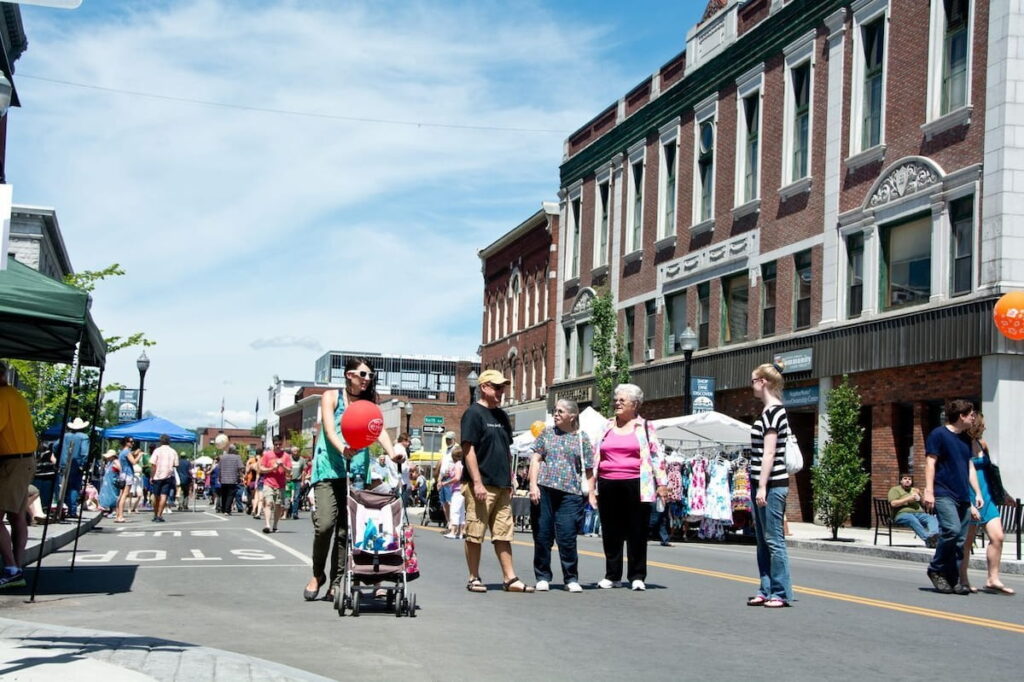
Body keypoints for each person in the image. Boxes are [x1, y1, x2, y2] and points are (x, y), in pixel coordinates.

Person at [304, 357, 398, 602]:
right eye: (363, 374)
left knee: (346, 532)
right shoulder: (331, 397)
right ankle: (317, 574)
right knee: (325, 525)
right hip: (329, 468)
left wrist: (393, 453)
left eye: (370, 375)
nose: (367, 379)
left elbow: (378, 430)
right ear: (349, 375)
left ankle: (336, 583)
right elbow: (329, 429)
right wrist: (342, 448)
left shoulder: (368, 403)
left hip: (356, 471)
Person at [589, 384, 669, 592]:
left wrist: (662, 484)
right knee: (611, 531)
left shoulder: (645, 427)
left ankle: (637, 575)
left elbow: (656, 456)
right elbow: (594, 456)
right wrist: (591, 487)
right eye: (616, 399)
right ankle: (612, 575)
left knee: (637, 531)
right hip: (607, 483)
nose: (617, 403)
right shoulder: (606, 426)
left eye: (622, 400)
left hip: (637, 484)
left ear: (635, 404)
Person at [461, 369, 533, 593]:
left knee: (503, 533)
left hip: (502, 485)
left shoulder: (502, 416)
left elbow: (506, 451)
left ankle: (510, 579)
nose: (502, 391)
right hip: (481, 484)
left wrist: (510, 481)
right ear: (484, 387)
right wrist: (477, 482)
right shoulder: (473, 413)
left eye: (503, 387)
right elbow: (468, 449)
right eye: (497, 387)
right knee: (475, 533)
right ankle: (474, 577)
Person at [528, 399, 593, 593]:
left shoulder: (582, 438)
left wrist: (592, 493)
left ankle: (571, 577)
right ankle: (542, 576)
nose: (556, 414)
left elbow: (589, 469)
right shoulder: (546, 433)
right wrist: (533, 485)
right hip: (545, 489)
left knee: (567, 536)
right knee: (543, 534)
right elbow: (535, 459)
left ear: (572, 415)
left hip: (570, 494)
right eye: (555, 411)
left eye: (560, 411)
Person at [923, 399, 983, 595]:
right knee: (952, 530)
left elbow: (969, 467)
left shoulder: (966, 439)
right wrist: (929, 491)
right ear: (961, 416)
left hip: (963, 496)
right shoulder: (938, 434)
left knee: (960, 540)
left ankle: (952, 578)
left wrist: (977, 494)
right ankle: (936, 569)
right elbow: (930, 463)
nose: (973, 417)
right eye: (971, 414)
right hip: (943, 493)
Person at [746, 363, 794, 608]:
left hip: (772, 484)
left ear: (763, 381)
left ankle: (781, 592)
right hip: (759, 483)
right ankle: (765, 589)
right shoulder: (766, 412)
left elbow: (770, 452)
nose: (751, 384)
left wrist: (763, 486)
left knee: (774, 539)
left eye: (753, 380)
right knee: (762, 540)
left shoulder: (775, 411)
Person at [959, 414, 1015, 595]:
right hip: (969, 497)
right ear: (973, 424)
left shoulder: (983, 445)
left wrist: (1004, 494)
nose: (985, 427)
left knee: (997, 536)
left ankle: (993, 579)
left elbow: (991, 474)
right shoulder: (961, 446)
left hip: (987, 497)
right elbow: (959, 475)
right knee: (967, 542)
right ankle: (963, 579)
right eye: (983, 424)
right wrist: (969, 503)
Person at [0, 361, 38, 589]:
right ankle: (17, 565)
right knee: (17, 515)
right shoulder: (15, 395)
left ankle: (12, 569)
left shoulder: (2, 396)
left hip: (11, 462)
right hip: (23, 460)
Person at [888, 473, 939, 547]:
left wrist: (920, 494)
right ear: (900, 481)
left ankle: (933, 538)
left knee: (932, 518)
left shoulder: (914, 490)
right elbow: (893, 503)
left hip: (919, 514)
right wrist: (908, 498)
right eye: (905, 479)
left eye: (909, 479)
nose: (907, 481)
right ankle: (928, 539)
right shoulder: (895, 489)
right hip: (902, 514)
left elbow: (925, 504)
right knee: (911, 518)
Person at [56, 417, 90, 518]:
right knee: (74, 488)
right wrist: (82, 465)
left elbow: (55, 446)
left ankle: (62, 508)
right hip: (76, 465)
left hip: (63, 464)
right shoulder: (84, 437)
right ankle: (72, 511)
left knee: (63, 487)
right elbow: (84, 453)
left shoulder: (65, 436)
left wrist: (59, 456)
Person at [259, 437, 293, 532]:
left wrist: (283, 465)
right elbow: (261, 469)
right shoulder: (267, 455)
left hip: (281, 484)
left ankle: (275, 525)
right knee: (268, 503)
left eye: (279, 444)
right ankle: (267, 525)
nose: (278, 446)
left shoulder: (286, 456)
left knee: (278, 505)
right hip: (268, 483)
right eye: (276, 444)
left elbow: (290, 471)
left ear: (282, 444)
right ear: (273, 445)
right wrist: (272, 469)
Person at [149, 434, 179, 522]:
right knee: (164, 496)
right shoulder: (173, 451)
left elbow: (153, 465)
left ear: (161, 441)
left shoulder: (157, 451)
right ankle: (159, 515)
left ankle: (155, 514)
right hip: (168, 476)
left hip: (157, 475)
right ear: (169, 441)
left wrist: (151, 476)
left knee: (156, 496)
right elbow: (176, 465)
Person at [442, 446, 465, 539]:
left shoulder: (457, 464)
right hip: (463, 490)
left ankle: (453, 531)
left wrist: (446, 482)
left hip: (457, 490)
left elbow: (457, 478)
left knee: (454, 511)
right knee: (462, 512)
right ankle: (460, 532)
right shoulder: (464, 464)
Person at [114, 438, 138, 523]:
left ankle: (117, 515)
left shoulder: (122, 452)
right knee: (124, 495)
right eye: (131, 442)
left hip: (123, 474)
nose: (132, 443)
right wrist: (140, 455)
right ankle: (120, 516)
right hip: (128, 474)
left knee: (121, 495)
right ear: (126, 442)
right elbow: (134, 462)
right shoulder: (127, 452)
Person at [218, 445, 243, 516]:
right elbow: (241, 467)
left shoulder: (222, 457)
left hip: (223, 479)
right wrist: (241, 475)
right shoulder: (237, 457)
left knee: (224, 494)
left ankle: (223, 509)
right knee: (230, 495)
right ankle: (227, 510)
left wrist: (219, 477)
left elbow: (219, 468)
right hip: (233, 479)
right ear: (234, 450)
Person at [98, 449, 120, 514]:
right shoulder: (109, 463)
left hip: (113, 481)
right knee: (108, 494)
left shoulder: (116, 462)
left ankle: (114, 510)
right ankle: (110, 509)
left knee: (113, 494)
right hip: (108, 482)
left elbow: (121, 469)